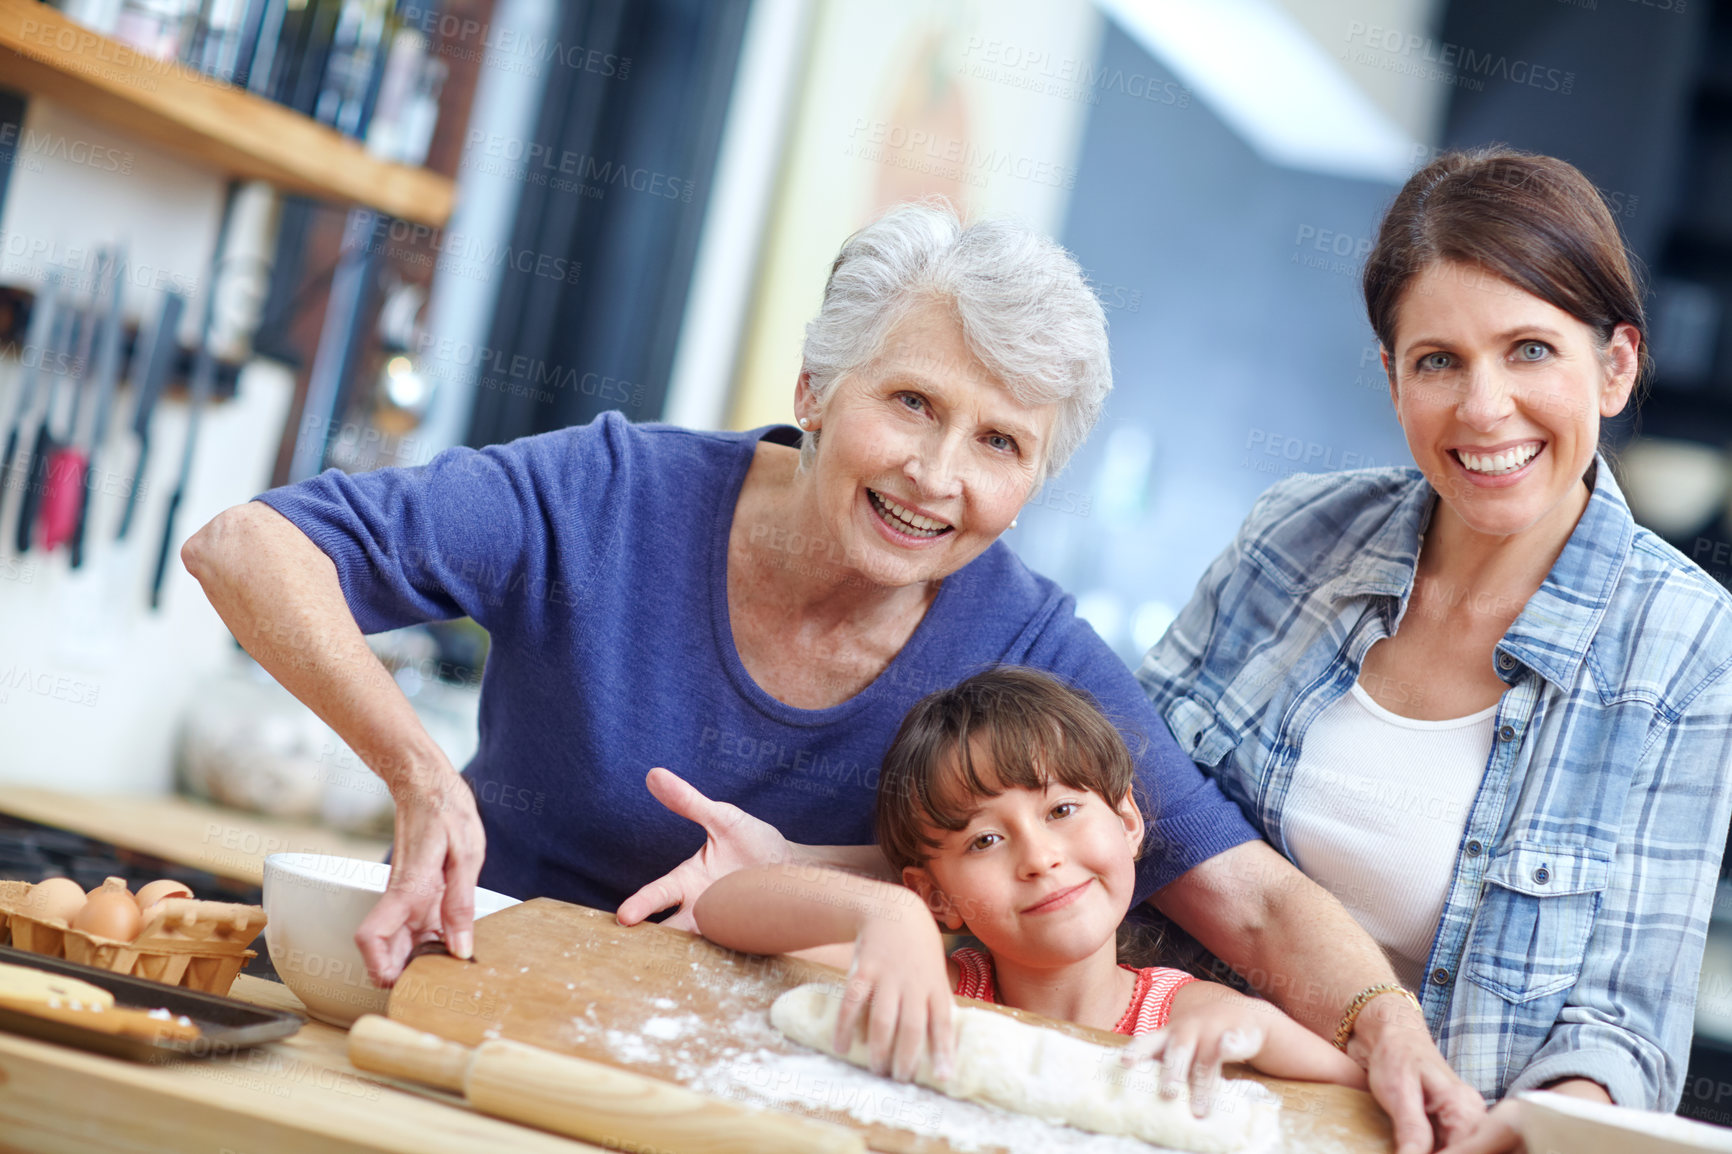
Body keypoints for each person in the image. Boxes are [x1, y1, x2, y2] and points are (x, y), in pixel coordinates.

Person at [182, 202, 1474, 1143]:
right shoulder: (609, 492)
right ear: (815, 385)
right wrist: (417, 771)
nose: (936, 474)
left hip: (762, 1113)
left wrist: (1387, 1024)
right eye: (909, 402)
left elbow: (1244, 896)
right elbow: (250, 543)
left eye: (998, 443)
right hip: (471, 1037)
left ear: (1030, 488)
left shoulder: (1027, 644)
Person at [1138, 147, 1732, 1154]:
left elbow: (1623, 1021)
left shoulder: (1689, 647)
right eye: (1438, 360)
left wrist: (1546, 1120)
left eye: (1530, 349)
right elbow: (1130, 794)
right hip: (1169, 1094)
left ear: (1616, 364)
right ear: (1392, 377)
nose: (1483, 407)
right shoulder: (1295, 533)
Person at [694, 666, 1367, 1101]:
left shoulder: (1183, 1017)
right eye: (984, 840)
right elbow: (723, 908)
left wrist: (1255, 1032)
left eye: (1062, 811)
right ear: (936, 894)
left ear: (1128, 819)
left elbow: (1354, 1093)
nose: (1040, 858)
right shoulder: (940, 990)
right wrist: (888, 915)